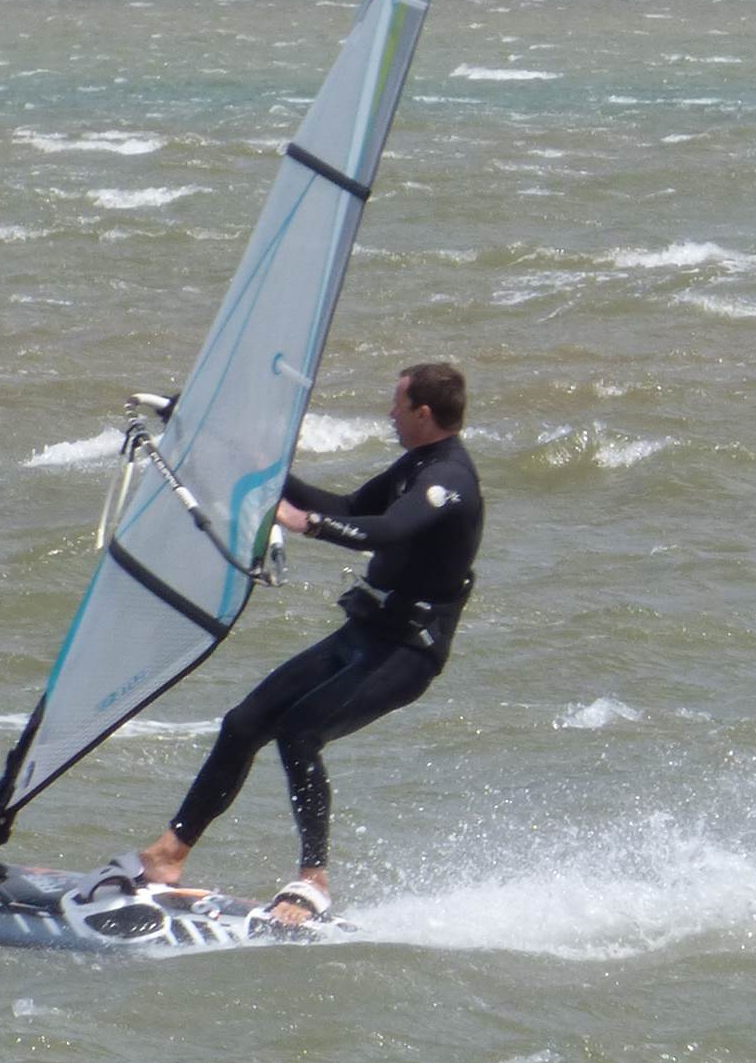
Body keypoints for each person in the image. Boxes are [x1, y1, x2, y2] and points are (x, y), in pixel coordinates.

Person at [103, 362, 482, 928]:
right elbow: (351, 508)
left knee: (301, 732)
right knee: (244, 723)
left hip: (408, 651)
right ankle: (168, 855)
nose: (390, 413)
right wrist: (239, 456)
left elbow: (385, 531)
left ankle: (314, 880)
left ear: (423, 413)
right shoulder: (416, 464)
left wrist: (304, 523)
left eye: (398, 404)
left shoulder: (449, 479)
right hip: (367, 633)